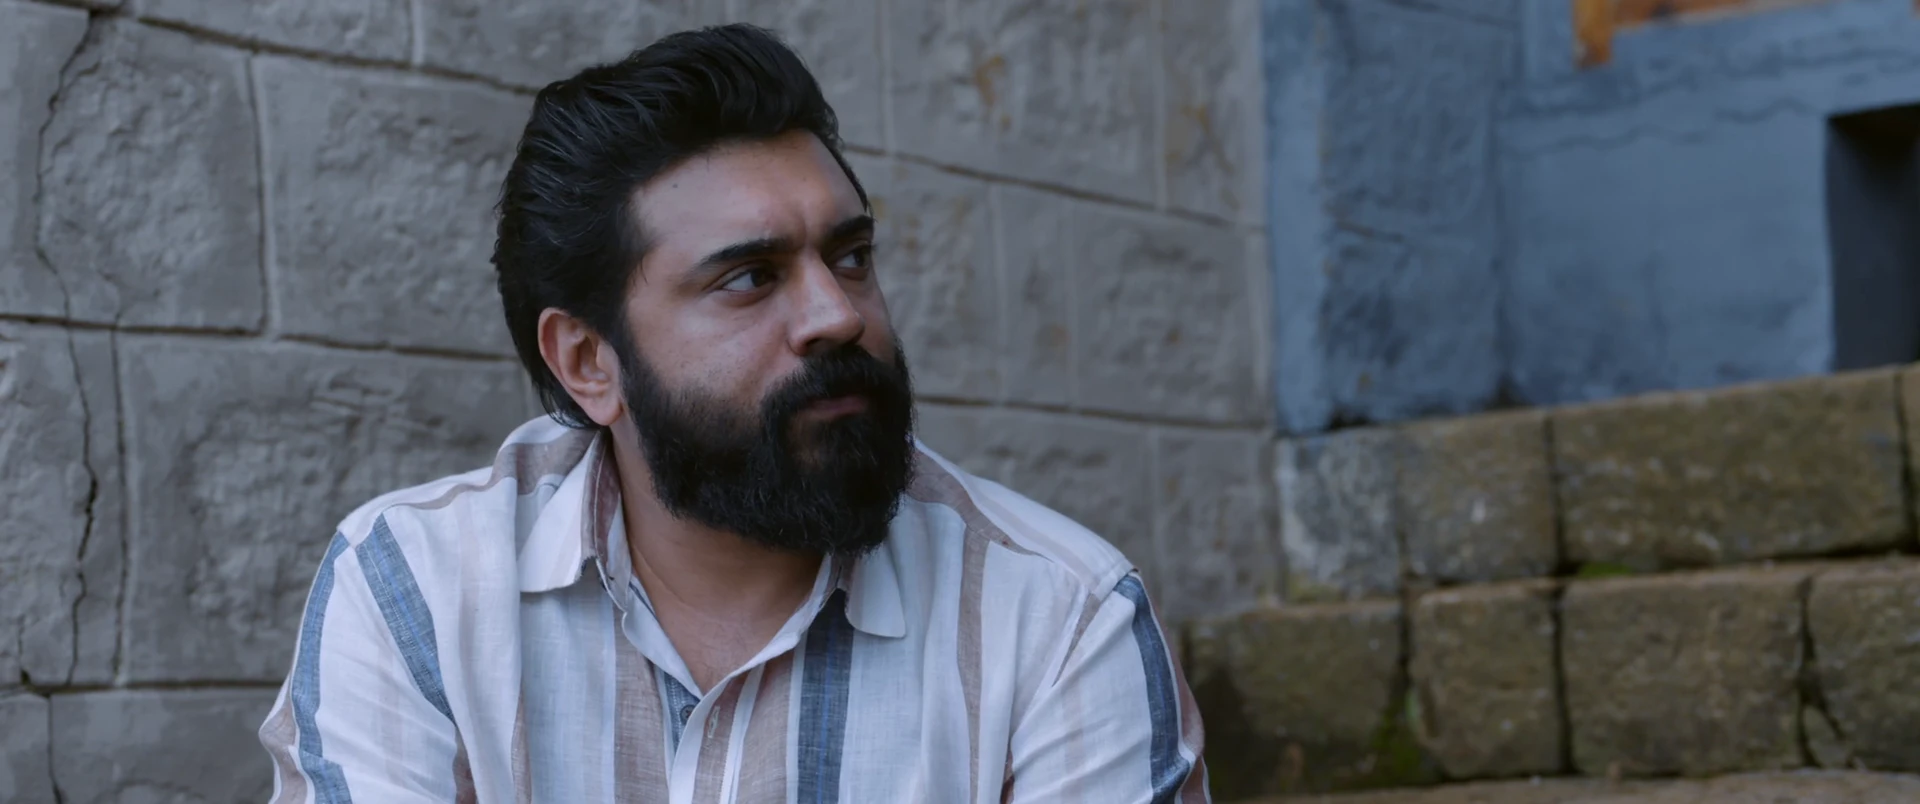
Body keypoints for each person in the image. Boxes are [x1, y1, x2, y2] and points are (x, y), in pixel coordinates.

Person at [258, 23, 1207, 804]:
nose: (838, 315)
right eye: (749, 277)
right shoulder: (417, 593)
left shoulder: (1059, 622)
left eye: (850, 257)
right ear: (589, 362)